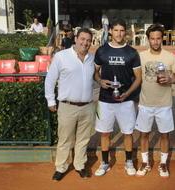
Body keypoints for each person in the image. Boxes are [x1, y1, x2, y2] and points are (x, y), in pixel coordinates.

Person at [45, 28, 95, 181]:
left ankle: (80, 165)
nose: (85, 43)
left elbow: (97, 76)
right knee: (65, 139)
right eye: (82, 39)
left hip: (87, 106)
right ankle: (61, 167)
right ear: (76, 39)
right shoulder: (61, 56)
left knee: (83, 139)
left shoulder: (91, 58)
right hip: (67, 106)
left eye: (88, 40)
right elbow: (50, 79)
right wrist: (51, 100)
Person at [94, 18, 142, 176]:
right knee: (105, 133)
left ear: (125, 32)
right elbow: (95, 73)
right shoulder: (102, 51)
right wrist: (100, 81)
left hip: (126, 101)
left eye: (122, 30)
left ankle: (129, 162)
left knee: (128, 133)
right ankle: (105, 162)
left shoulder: (132, 52)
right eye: (116, 30)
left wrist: (127, 93)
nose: (119, 33)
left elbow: (138, 78)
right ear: (110, 31)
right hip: (105, 100)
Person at [135, 24, 175, 177]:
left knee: (164, 135)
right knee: (144, 134)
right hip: (145, 103)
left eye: (158, 38)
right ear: (148, 39)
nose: (155, 42)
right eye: (152, 39)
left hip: (164, 104)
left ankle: (163, 164)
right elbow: (135, 78)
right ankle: (145, 163)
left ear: (162, 39)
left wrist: (171, 78)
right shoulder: (141, 56)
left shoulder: (169, 57)